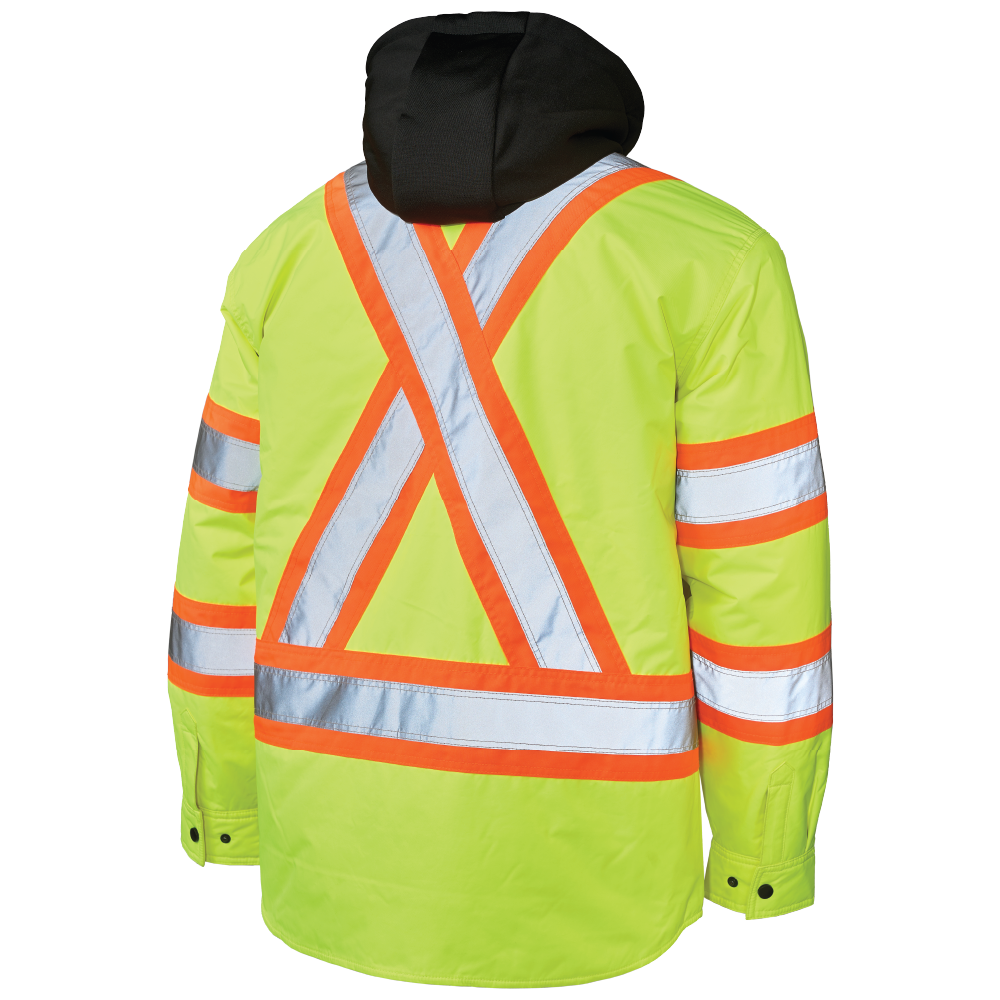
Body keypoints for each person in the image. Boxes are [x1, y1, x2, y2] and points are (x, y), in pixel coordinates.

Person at [167, 11, 832, 987]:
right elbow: (760, 582)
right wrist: (760, 846)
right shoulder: (711, 261)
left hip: (330, 855)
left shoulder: (285, 253)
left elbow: (217, 562)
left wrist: (223, 797)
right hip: (594, 873)